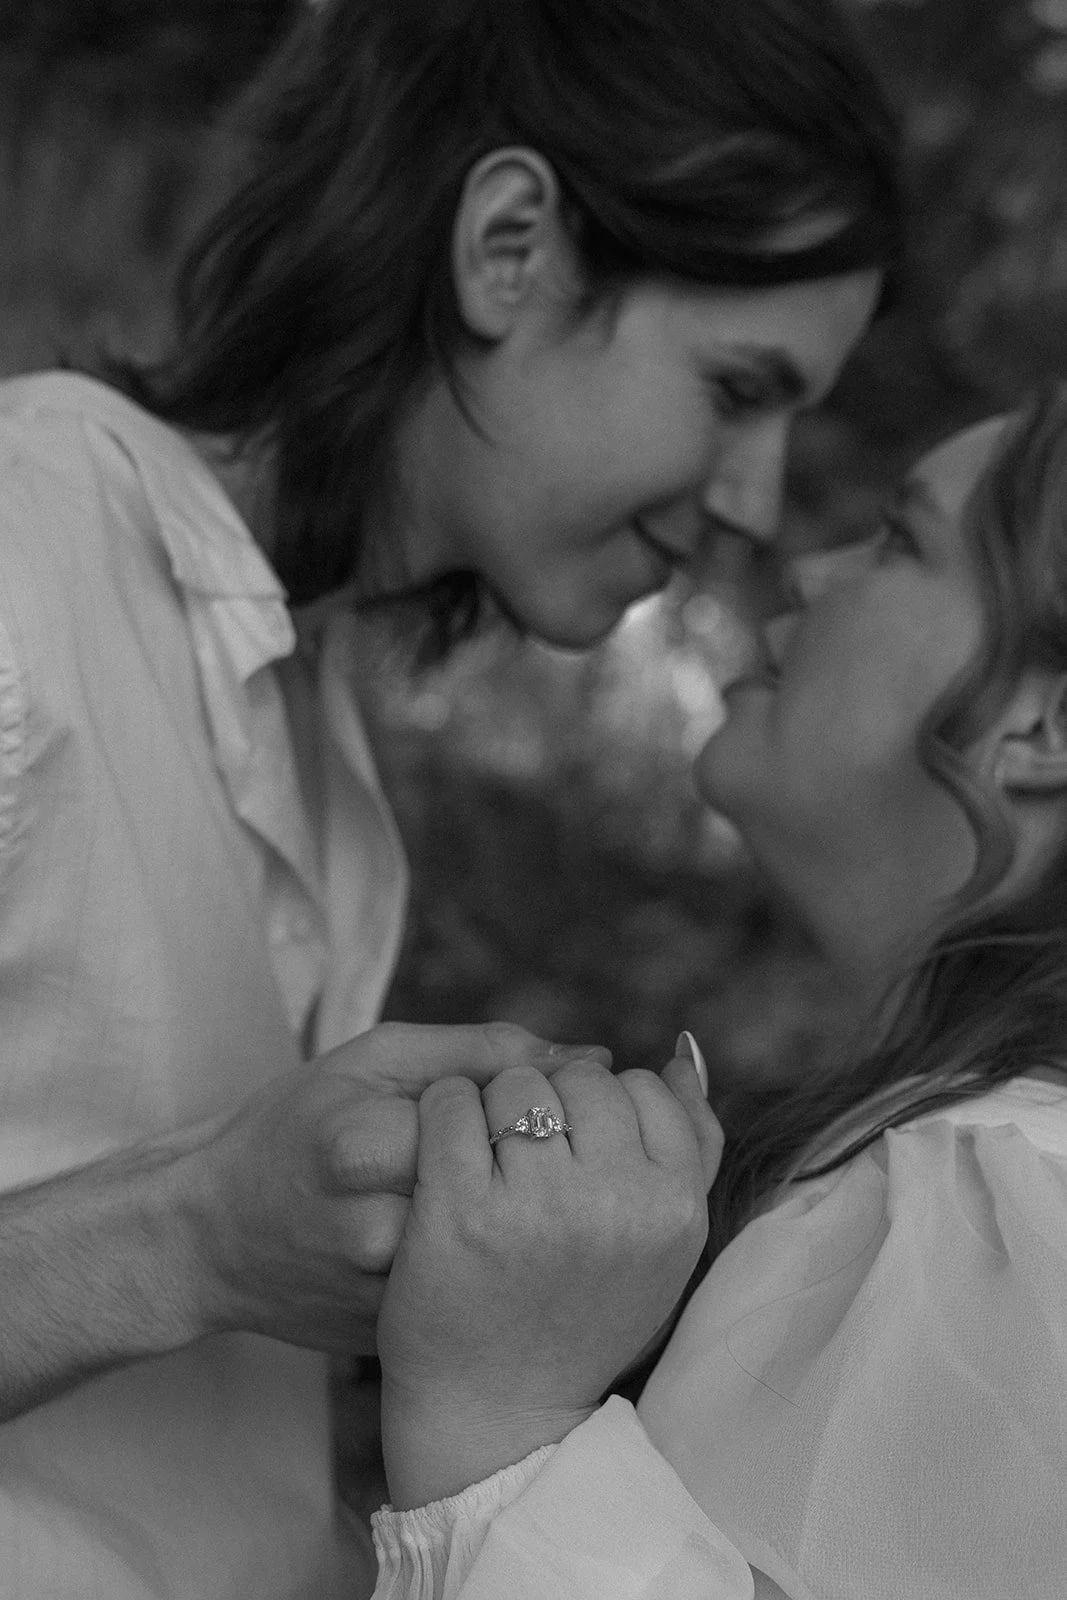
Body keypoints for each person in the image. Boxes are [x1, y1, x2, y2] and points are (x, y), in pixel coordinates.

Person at [0, 1, 900, 1596]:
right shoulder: (21, 556)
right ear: (506, 249)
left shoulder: (326, 762)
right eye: (734, 386)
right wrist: (192, 1235)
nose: (754, 503)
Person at [369, 386, 1067, 1599]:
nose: (807, 565)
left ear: (1045, 723)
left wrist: (501, 1418)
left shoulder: (994, 1216)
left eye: (900, 540)